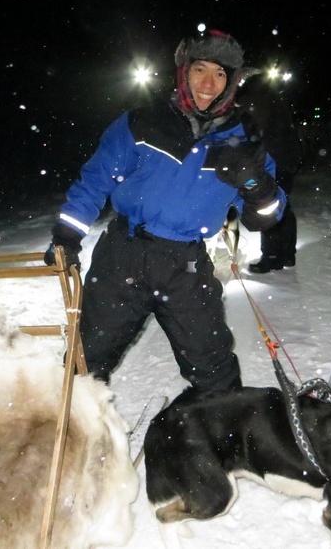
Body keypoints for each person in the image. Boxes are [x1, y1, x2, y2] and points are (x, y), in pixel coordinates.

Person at [44, 30, 287, 391]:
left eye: (220, 74)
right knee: (84, 364)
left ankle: (223, 435)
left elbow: (266, 217)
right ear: (183, 72)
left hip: (186, 265)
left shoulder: (244, 139)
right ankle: (70, 436)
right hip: (121, 257)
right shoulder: (141, 121)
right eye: (200, 70)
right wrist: (68, 235)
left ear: (232, 82)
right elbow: (96, 180)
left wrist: (255, 183)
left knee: (214, 371)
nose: (208, 83)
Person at [236, 73, 304, 273]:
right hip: (289, 157)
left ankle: (272, 257)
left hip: (274, 160)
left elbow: (253, 129)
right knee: (283, 207)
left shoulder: (256, 99)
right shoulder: (275, 97)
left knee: (268, 206)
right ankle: (287, 254)